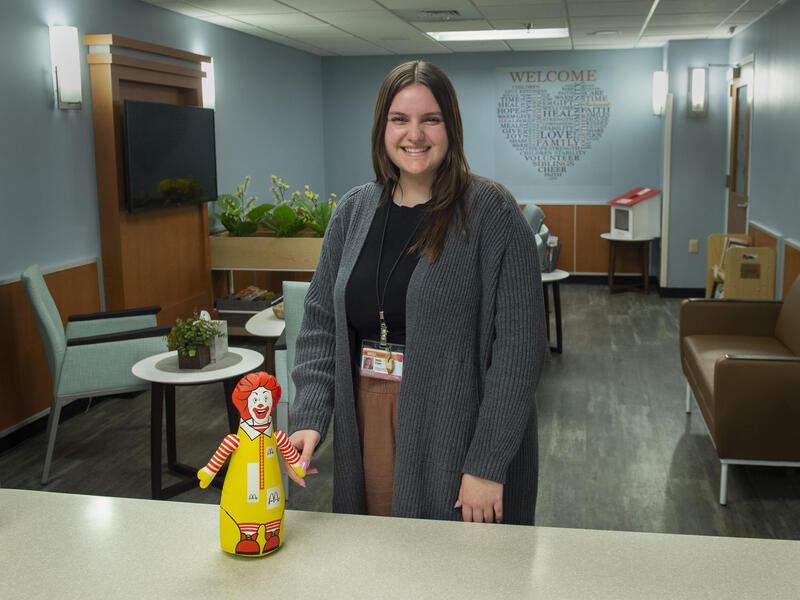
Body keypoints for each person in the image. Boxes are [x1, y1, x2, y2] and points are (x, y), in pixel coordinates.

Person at [288, 60, 546, 525]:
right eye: (400, 120)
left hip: (458, 426)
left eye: (431, 119)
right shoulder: (354, 211)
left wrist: (487, 464)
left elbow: (519, 353)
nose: (415, 134)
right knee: (378, 556)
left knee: (457, 571)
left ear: (451, 127)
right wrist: (309, 413)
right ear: (382, 129)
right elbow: (321, 322)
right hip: (369, 414)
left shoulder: (492, 212)